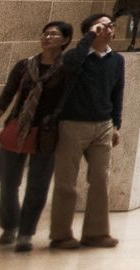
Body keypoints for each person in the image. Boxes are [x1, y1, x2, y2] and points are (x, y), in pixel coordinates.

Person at [0, 20, 72, 251]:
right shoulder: (24, 66)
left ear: (65, 41)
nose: (47, 38)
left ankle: (26, 232)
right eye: (45, 33)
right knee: (7, 180)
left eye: (54, 35)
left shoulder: (67, 70)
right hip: (17, 128)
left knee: (38, 185)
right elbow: (6, 97)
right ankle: (10, 225)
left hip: (46, 134)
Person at [43, 13, 123, 249]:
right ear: (90, 31)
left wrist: (116, 124)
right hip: (73, 124)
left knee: (100, 180)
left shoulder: (116, 60)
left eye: (111, 26)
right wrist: (89, 37)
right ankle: (61, 235)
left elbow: (117, 92)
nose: (108, 30)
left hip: (103, 125)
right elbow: (71, 62)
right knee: (66, 183)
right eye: (102, 26)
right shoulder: (76, 57)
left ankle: (96, 233)